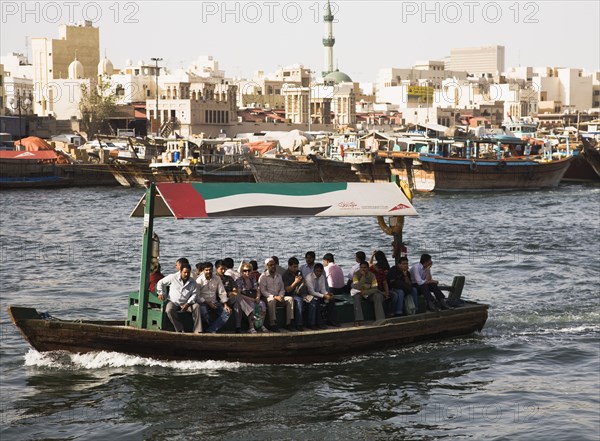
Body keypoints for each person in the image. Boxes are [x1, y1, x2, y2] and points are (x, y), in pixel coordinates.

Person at [156, 262, 202, 333]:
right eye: (185, 272)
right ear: (180, 271)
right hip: (173, 302)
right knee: (169, 310)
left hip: (186, 303)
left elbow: (194, 295)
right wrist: (160, 293)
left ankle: (198, 330)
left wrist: (188, 304)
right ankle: (180, 329)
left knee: (197, 306)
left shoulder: (193, 282)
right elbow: (160, 282)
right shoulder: (172, 277)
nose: (186, 274)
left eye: (188, 273)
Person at [259, 257, 293, 332]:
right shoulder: (263, 277)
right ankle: (272, 323)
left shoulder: (279, 276)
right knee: (271, 300)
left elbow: (282, 289)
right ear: (266, 266)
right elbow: (263, 291)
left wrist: (281, 296)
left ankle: (288, 323)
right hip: (268, 297)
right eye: (270, 265)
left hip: (279, 296)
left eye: (274, 265)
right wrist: (274, 297)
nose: (273, 266)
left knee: (290, 299)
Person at [195, 262, 232, 333]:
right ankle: (213, 329)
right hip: (203, 303)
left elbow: (222, 292)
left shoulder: (217, 278)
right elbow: (197, 296)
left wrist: (225, 304)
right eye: (206, 270)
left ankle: (211, 330)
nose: (209, 272)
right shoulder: (199, 280)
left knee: (227, 312)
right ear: (203, 271)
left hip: (214, 302)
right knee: (205, 313)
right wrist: (207, 303)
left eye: (210, 270)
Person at [236, 263, 268, 333]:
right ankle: (251, 326)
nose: (247, 272)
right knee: (252, 306)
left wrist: (258, 297)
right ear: (242, 271)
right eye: (245, 271)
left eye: (249, 270)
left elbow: (257, 289)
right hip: (245, 298)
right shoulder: (239, 280)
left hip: (254, 296)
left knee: (263, 305)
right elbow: (239, 294)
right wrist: (252, 299)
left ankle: (261, 324)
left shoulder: (252, 278)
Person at [305, 262, 338, 328]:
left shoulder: (322, 277)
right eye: (317, 271)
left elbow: (323, 289)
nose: (319, 273)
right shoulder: (308, 277)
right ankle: (316, 323)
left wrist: (327, 294)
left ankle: (330, 320)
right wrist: (324, 296)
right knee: (315, 301)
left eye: (320, 271)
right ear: (314, 270)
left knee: (332, 300)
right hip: (308, 295)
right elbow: (311, 292)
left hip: (319, 294)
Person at [351, 260, 385, 325]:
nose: (363, 269)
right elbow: (356, 287)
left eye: (364, 268)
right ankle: (358, 320)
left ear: (368, 268)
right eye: (361, 267)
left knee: (378, 296)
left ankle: (380, 319)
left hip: (369, 294)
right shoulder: (356, 275)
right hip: (359, 293)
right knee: (356, 297)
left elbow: (375, 288)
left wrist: (366, 292)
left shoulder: (372, 275)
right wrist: (363, 277)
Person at [282, 256, 312, 331]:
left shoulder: (299, 272)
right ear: (289, 266)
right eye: (294, 267)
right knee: (299, 302)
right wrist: (295, 282)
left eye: (296, 267)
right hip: (290, 294)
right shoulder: (285, 275)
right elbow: (288, 290)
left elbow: (302, 284)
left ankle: (311, 323)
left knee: (313, 301)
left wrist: (303, 283)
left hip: (301, 293)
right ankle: (299, 324)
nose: (295, 269)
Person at [215, 260, 242, 332]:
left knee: (237, 304)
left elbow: (234, 288)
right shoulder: (214, 279)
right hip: (219, 299)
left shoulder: (229, 278)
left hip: (230, 298)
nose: (223, 271)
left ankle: (238, 326)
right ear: (216, 269)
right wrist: (228, 293)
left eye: (224, 269)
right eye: (221, 269)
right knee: (237, 299)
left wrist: (233, 292)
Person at [369, 250, 393, 317]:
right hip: (385, 288)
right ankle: (390, 312)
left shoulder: (373, 268)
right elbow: (385, 283)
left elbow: (370, 263)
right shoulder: (386, 265)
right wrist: (386, 293)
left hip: (380, 289)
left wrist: (372, 255)